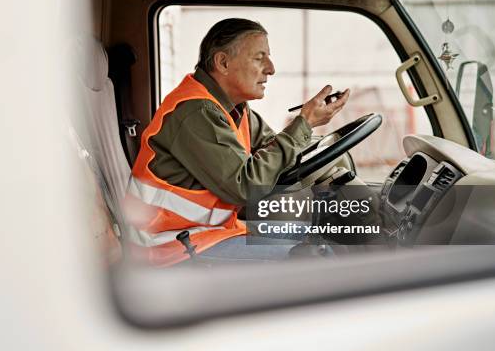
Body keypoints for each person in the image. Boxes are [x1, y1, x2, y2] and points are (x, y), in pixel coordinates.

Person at [124, 18, 350, 266]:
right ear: (223, 62)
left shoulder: (235, 109)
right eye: (259, 58)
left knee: (306, 234)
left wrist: (307, 128)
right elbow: (247, 187)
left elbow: (274, 150)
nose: (271, 68)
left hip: (208, 233)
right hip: (169, 248)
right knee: (314, 258)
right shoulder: (196, 112)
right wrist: (304, 123)